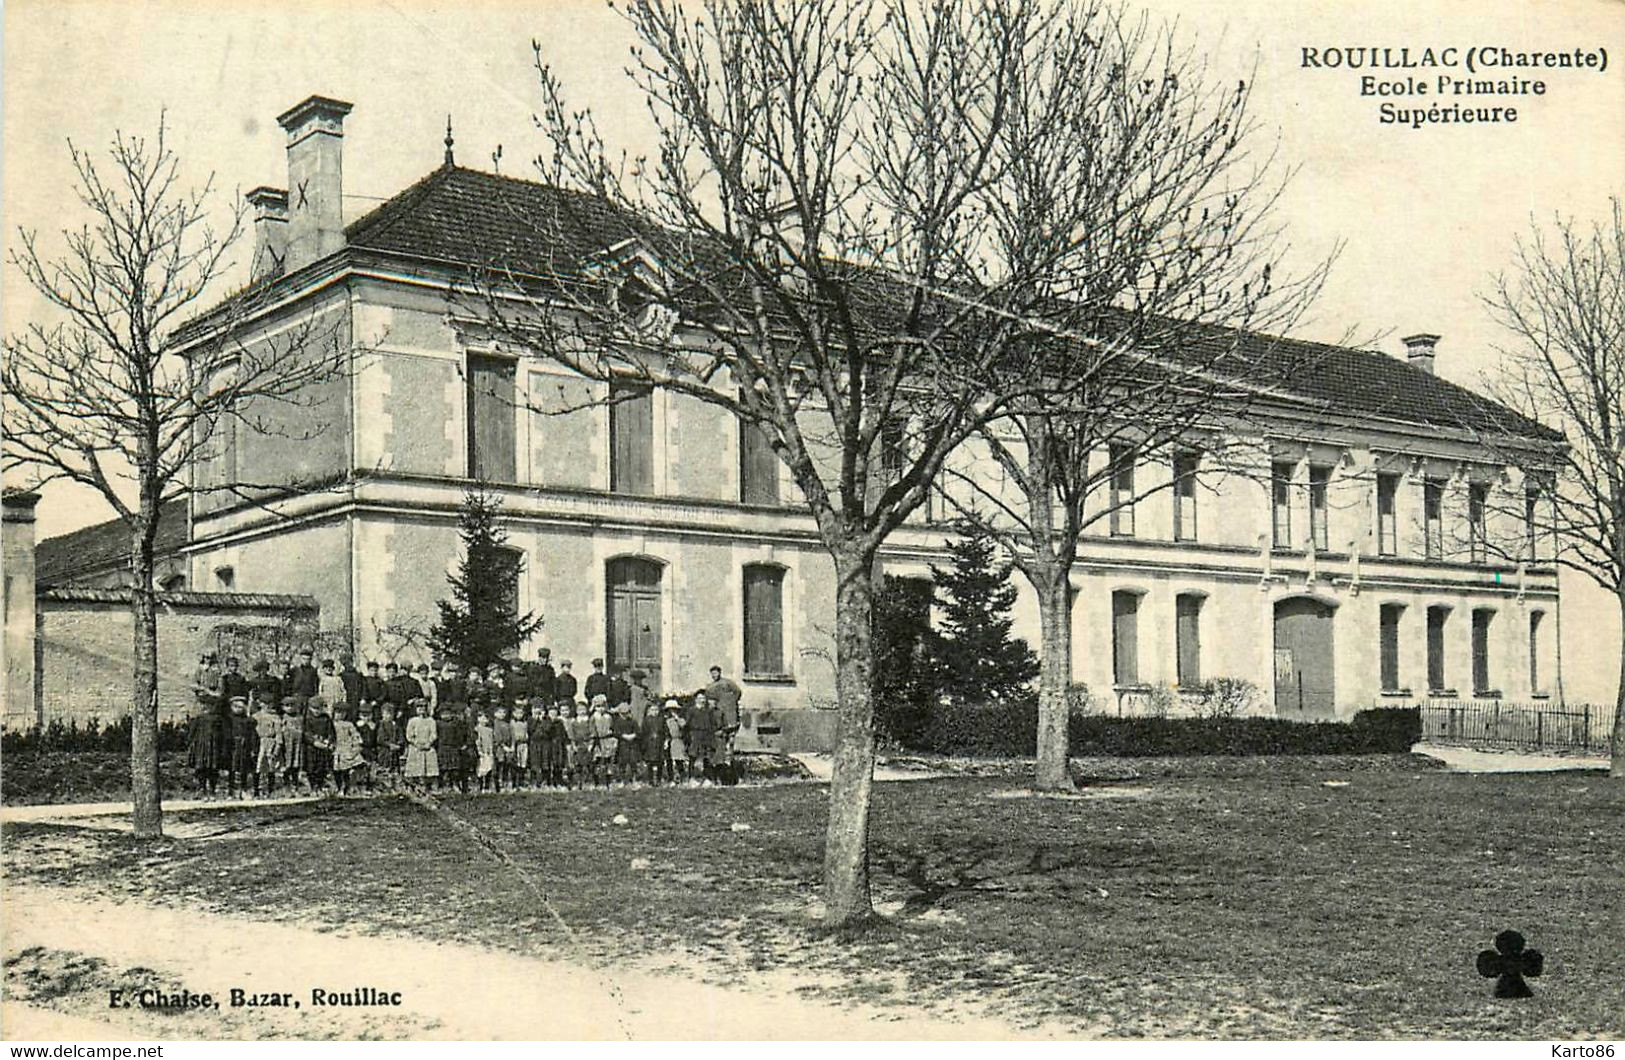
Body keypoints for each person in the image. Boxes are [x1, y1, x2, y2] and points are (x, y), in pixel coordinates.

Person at [189, 653, 224, 795]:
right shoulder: (199, 671)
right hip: (200, 709)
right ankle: (201, 788)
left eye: (210, 658)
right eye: (206, 658)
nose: (208, 661)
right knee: (200, 755)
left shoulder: (217, 672)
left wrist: (209, 692)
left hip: (213, 709)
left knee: (214, 755)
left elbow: (220, 693)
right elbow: (193, 685)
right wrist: (201, 690)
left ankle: (213, 789)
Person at [403, 699, 438, 794]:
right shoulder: (412, 721)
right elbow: (409, 735)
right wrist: (416, 743)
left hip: (427, 745)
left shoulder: (431, 721)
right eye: (419, 707)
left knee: (428, 765)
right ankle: (415, 786)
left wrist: (429, 743)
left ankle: (427, 786)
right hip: (416, 746)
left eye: (424, 707)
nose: (422, 709)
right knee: (415, 768)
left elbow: (433, 734)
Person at [252, 697, 284, 797]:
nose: (265, 706)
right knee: (258, 765)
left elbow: (278, 733)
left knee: (271, 765)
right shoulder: (255, 717)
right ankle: (256, 790)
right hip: (259, 741)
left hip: (271, 741)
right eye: (263, 704)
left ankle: (270, 790)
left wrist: (278, 746)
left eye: (268, 704)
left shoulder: (275, 717)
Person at [304, 696, 336, 794]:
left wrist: (328, 740)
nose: (317, 711)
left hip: (323, 746)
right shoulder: (308, 719)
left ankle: (321, 784)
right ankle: (313, 786)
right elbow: (306, 733)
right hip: (312, 747)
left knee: (322, 766)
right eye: (314, 708)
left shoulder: (326, 718)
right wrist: (314, 741)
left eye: (319, 708)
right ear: (310, 708)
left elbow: (331, 731)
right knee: (311, 767)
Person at [227, 696, 257, 799]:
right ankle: (231, 790)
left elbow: (252, 734)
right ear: (231, 707)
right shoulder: (229, 719)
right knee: (232, 768)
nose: (238, 709)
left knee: (244, 768)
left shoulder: (248, 720)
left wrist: (253, 748)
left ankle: (243, 789)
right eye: (235, 707)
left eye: (240, 707)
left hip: (244, 746)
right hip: (232, 746)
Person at [685, 691, 717, 783]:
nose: (702, 700)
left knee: (706, 757)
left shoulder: (708, 711)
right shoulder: (691, 710)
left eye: (703, 698)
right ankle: (691, 778)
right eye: (700, 698)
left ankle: (707, 778)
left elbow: (713, 724)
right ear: (696, 700)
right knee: (693, 756)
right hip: (695, 735)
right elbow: (687, 724)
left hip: (706, 735)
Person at [333, 707, 364, 796]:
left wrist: (357, 742)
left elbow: (355, 734)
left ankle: (351, 786)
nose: (340, 715)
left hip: (347, 747)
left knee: (349, 767)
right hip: (337, 747)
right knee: (338, 770)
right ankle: (340, 787)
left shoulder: (348, 724)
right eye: (338, 713)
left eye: (343, 713)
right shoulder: (332, 724)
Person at [639, 697, 669, 786]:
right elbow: (643, 732)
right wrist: (644, 744)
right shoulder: (646, 720)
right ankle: (651, 780)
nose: (655, 711)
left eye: (656, 709)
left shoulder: (662, 719)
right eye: (653, 709)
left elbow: (665, 731)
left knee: (660, 761)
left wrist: (666, 741)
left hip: (659, 741)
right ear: (649, 710)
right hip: (649, 742)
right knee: (650, 762)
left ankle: (659, 779)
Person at [280, 695, 306, 791]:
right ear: (283, 707)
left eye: (292, 705)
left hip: (297, 744)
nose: (290, 708)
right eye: (287, 705)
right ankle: (286, 783)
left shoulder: (300, 718)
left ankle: (295, 783)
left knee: (296, 763)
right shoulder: (283, 718)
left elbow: (302, 729)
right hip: (287, 745)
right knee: (287, 763)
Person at [589, 695, 615, 787]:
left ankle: (608, 781)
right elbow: (592, 729)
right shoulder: (594, 717)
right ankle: (597, 781)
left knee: (608, 760)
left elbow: (612, 727)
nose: (600, 709)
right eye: (598, 706)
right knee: (597, 761)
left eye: (602, 706)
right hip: (598, 741)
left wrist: (610, 732)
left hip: (607, 740)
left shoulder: (608, 717)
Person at [611, 702, 640, 784]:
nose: (625, 715)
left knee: (633, 762)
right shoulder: (617, 722)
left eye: (626, 713)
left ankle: (634, 779)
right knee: (622, 763)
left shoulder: (633, 721)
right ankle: (622, 780)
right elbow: (616, 732)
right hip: (622, 744)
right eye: (623, 713)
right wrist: (623, 736)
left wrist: (633, 735)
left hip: (632, 745)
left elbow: (638, 731)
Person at [375, 703, 402, 785]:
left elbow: (400, 735)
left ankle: (395, 782)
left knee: (394, 765)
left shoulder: (396, 725)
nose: (388, 716)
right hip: (384, 749)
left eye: (390, 714)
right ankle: (384, 783)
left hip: (394, 750)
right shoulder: (381, 724)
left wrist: (399, 744)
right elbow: (380, 738)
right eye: (386, 714)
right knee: (384, 765)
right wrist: (389, 744)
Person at [663, 699, 689, 783]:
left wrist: (677, 718)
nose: (671, 712)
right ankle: (671, 778)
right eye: (670, 710)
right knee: (669, 760)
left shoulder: (681, 719)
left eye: (673, 709)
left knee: (679, 760)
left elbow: (684, 726)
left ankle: (682, 778)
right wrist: (666, 740)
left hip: (678, 741)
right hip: (669, 741)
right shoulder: (666, 721)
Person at [492, 706, 515, 791]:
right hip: (499, 748)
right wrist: (503, 746)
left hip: (508, 747)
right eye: (500, 712)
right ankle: (498, 785)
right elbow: (497, 737)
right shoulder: (495, 724)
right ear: (495, 714)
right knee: (499, 766)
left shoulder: (507, 724)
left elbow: (512, 735)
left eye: (504, 712)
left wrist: (512, 745)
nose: (502, 714)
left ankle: (506, 784)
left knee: (507, 765)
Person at [474, 711, 496, 793]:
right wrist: (479, 750)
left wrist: (491, 750)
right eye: (481, 718)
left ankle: (487, 787)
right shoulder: (477, 729)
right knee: (481, 770)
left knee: (489, 769)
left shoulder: (490, 730)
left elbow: (492, 741)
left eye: (485, 718)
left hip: (489, 752)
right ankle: (480, 786)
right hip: (482, 752)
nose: (484, 720)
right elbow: (477, 741)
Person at [511, 704, 531, 790]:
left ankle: (522, 782)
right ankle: (514, 784)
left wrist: (526, 737)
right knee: (516, 764)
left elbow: (526, 734)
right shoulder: (512, 723)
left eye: (521, 713)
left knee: (523, 764)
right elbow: (511, 735)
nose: (519, 715)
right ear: (513, 713)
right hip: (515, 745)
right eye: (517, 713)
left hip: (523, 744)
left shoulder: (525, 723)